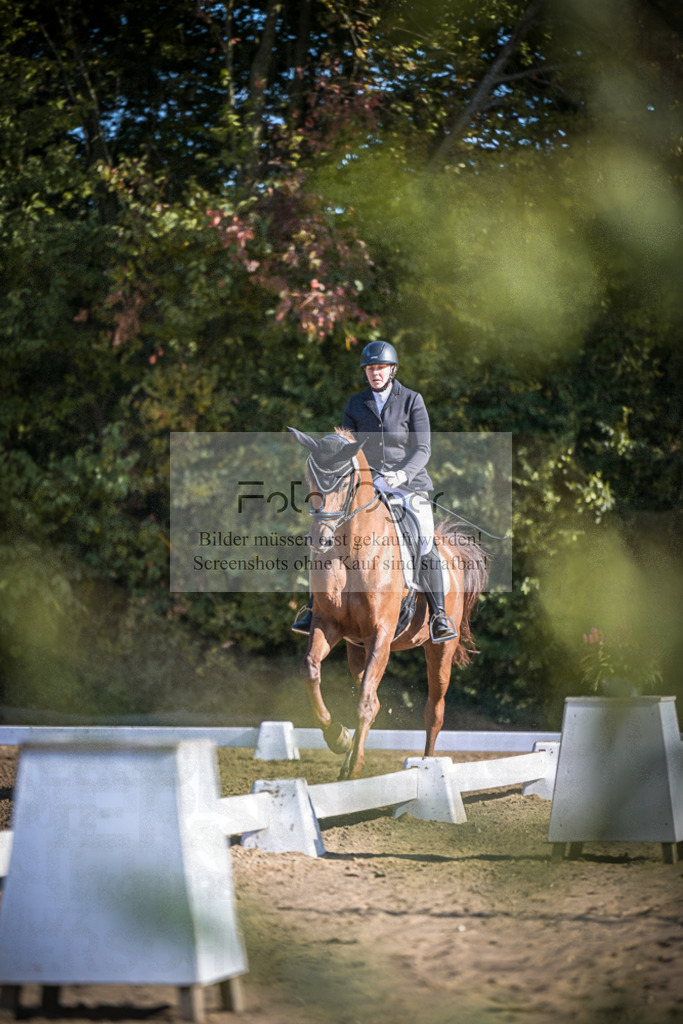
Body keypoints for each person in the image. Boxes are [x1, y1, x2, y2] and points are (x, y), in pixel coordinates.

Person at [292, 340, 457, 642]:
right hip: (366, 488)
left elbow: (423, 449)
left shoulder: (412, 400)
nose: (375, 373)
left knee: (424, 539)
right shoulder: (356, 404)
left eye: (381, 368)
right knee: (327, 533)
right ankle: (314, 606)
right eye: (370, 369)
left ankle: (439, 616)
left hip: (407, 485)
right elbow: (346, 447)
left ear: (392, 370)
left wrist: (402, 474)